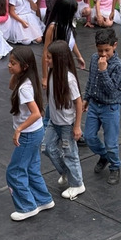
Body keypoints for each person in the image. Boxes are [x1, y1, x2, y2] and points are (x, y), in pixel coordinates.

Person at [6, 46, 54, 221]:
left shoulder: (24, 88)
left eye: (13, 63)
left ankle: (27, 206)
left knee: (15, 172)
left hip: (28, 135)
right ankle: (43, 199)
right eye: (10, 62)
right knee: (32, 167)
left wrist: (19, 129)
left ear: (25, 66)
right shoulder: (26, 80)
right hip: (36, 132)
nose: (9, 66)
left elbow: (36, 113)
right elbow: (11, 85)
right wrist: (15, 72)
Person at [43, 40, 86, 200]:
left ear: (59, 60)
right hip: (54, 122)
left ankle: (78, 184)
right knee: (47, 147)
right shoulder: (53, 73)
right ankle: (66, 172)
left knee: (70, 154)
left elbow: (78, 102)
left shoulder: (69, 79)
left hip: (67, 124)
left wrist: (77, 126)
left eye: (49, 58)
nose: (46, 60)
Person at [83, 28, 121, 185]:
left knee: (111, 143)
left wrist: (103, 71)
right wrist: (86, 98)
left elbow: (111, 90)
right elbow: (91, 80)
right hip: (95, 104)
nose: (103, 54)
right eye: (100, 50)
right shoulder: (95, 58)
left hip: (110, 107)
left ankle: (115, 166)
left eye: (107, 50)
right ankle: (104, 156)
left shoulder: (118, 66)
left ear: (114, 46)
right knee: (89, 137)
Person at [41, 0, 86, 87]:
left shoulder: (67, 24)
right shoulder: (53, 28)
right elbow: (45, 52)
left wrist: (79, 56)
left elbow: (71, 40)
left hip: (66, 62)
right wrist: (45, 77)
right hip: (55, 65)